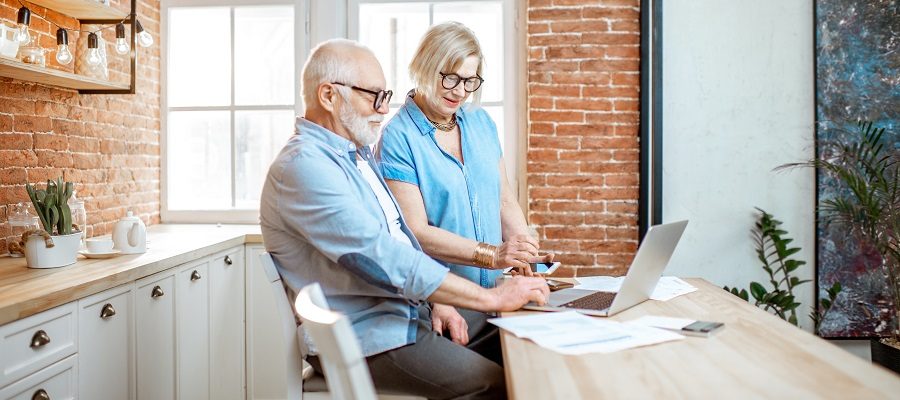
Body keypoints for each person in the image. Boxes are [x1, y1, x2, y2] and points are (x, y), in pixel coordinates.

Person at [260, 38, 549, 400]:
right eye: (373, 96)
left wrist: (439, 300)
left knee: (527, 339)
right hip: (373, 337)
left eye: (385, 96)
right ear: (329, 96)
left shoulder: (354, 156)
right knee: (496, 382)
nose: (383, 109)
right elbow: (384, 258)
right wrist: (490, 299)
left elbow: (400, 240)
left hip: (408, 316)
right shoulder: (305, 167)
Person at [377, 22, 552, 344]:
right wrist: (494, 255)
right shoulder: (397, 138)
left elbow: (503, 201)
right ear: (423, 67)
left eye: (470, 80)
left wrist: (524, 256)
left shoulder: (481, 122)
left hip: (500, 294)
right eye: (451, 78)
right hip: (449, 303)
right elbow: (417, 232)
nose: (460, 91)